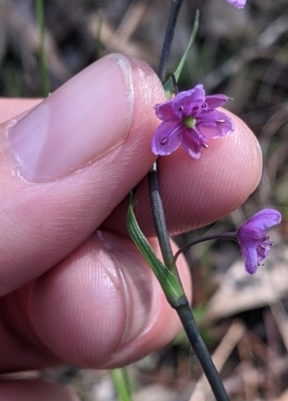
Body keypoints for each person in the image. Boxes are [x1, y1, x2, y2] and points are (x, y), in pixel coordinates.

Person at [0, 54, 262, 400]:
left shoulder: (178, 126)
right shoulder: (164, 126)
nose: (192, 120)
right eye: (189, 115)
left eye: (195, 116)